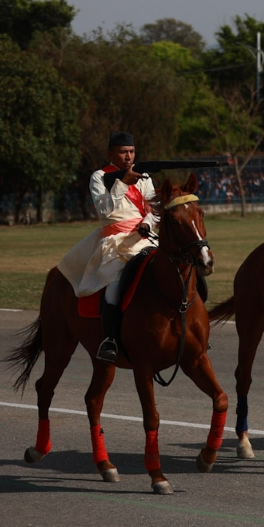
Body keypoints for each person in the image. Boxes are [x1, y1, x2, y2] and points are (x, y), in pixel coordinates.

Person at [57, 131, 159, 363]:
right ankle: (110, 340)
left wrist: (147, 223)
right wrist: (123, 183)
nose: (128, 157)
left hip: (145, 238)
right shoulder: (100, 176)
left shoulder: (144, 177)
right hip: (115, 242)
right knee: (113, 286)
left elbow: (155, 209)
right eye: (123, 152)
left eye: (131, 152)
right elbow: (104, 211)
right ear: (111, 154)